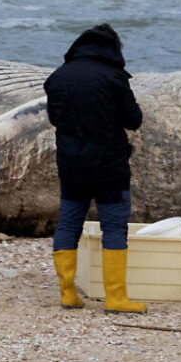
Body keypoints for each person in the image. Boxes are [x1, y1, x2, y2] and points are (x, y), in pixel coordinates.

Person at [44, 23, 147, 314]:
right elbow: (134, 120)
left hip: (71, 165)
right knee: (113, 226)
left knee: (68, 224)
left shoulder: (58, 78)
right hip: (109, 167)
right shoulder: (115, 78)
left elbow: (55, 119)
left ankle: (68, 293)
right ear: (113, 49)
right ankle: (116, 298)